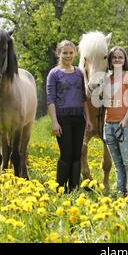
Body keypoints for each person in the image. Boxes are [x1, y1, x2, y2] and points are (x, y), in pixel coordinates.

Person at [47, 40, 93, 193]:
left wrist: (88, 119)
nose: (68, 56)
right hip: (62, 119)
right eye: (64, 52)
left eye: (71, 53)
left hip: (79, 119)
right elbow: (50, 99)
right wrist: (54, 122)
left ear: (75, 54)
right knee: (66, 154)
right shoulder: (54, 74)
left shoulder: (79, 73)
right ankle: (60, 188)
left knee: (76, 155)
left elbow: (83, 98)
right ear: (58, 53)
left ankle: (74, 189)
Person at [102, 46, 128, 197]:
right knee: (117, 164)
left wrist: (124, 120)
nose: (117, 60)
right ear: (110, 60)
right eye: (114, 57)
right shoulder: (106, 80)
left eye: (120, 57)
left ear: (125, 60)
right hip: (108, 125)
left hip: (124, 124)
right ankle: (120, 191)